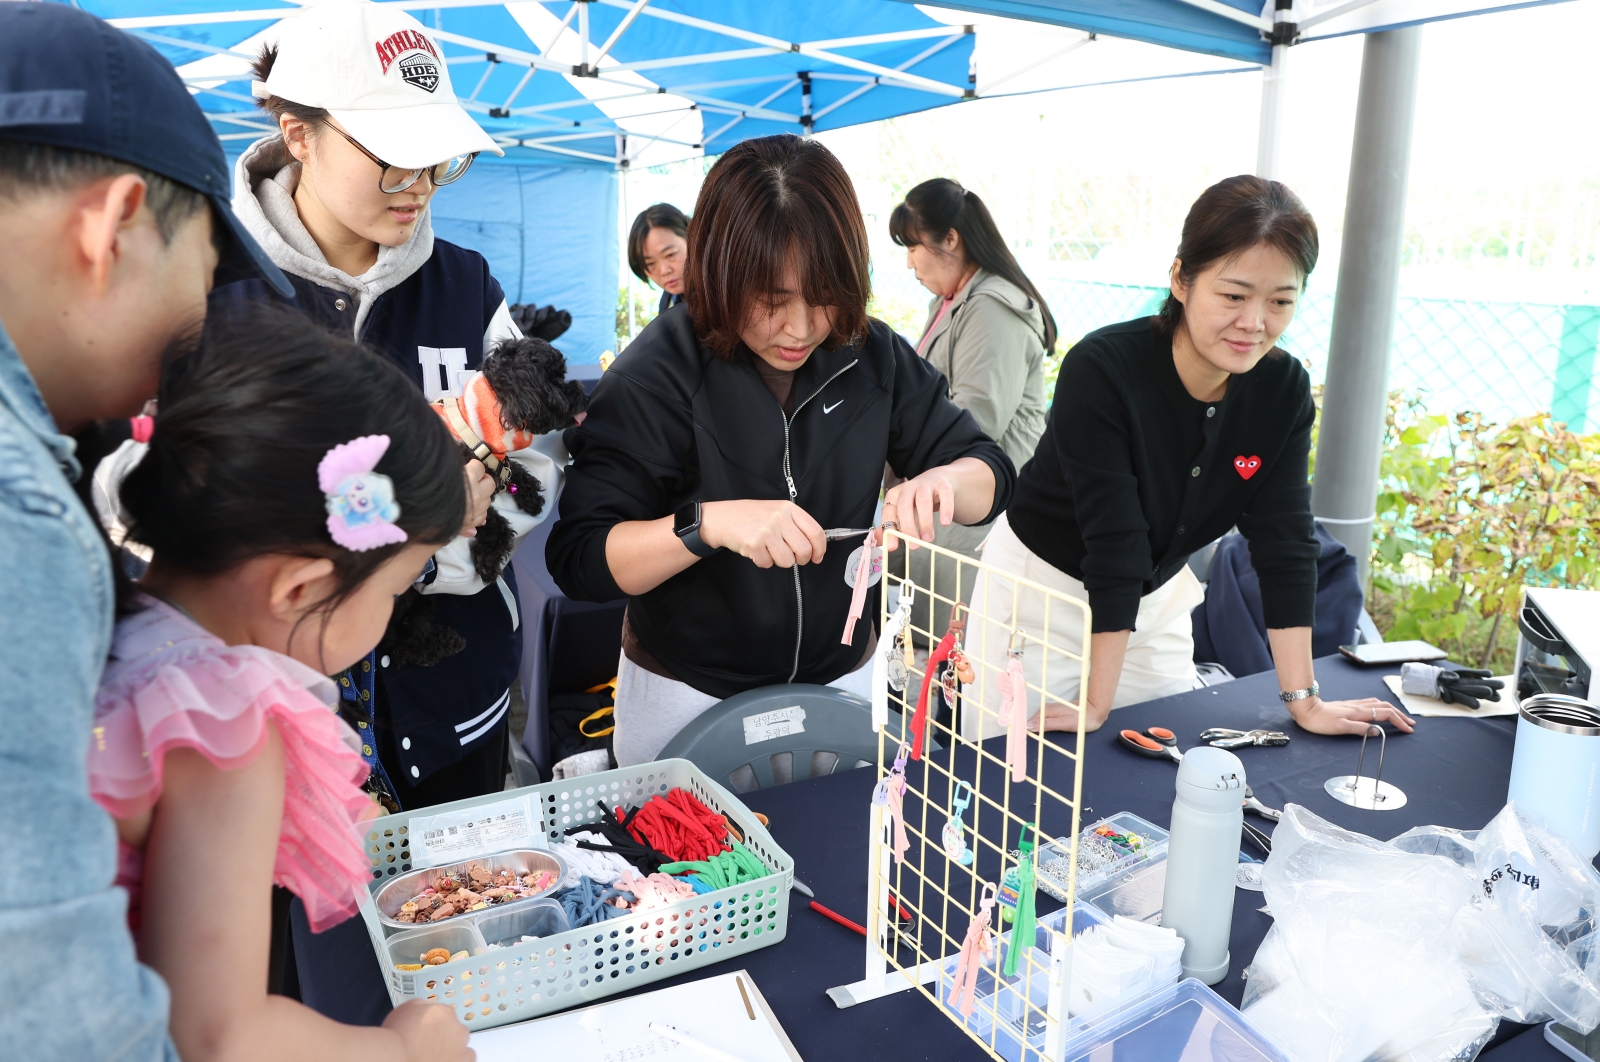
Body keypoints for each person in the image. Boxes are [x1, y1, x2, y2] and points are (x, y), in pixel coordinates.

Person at [0, 6, 293, 1059]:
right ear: (116, 223)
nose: (200, 330)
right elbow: (45, 1007)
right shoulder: (18, 509)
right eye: (206, 277)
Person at [548, 134, 1015, 767]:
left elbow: (987, 467)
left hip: (844, 675)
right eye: (770, 301)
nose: (799, 328)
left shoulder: (873, 357)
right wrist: (706, 524)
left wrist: (946, 484)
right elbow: (582, 559)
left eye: (824, 295)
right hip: (686, 690)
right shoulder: (654, 375)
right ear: (719, 271)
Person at [89, 309, 472, 1062]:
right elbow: (219, 1035)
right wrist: (404, 1050)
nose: (394, 612)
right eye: (397, 588)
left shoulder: (117, 624)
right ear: (300, 589)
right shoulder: (225, 722)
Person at [218, 0, 568, 809]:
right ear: (298, 133)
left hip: (455, 710)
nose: (417, 187)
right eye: (392, 157)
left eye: (437, 159)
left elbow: (533, 466)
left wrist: (429, 552)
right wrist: (428, 511)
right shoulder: (218, 290)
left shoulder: (466, 285)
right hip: (277, 732)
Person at [967, 175, 1412, 740]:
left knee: (1159, 761)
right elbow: (1116, 539)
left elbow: (1285, 543)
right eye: (1233, 296)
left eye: (1280, 302)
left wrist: (1305, 702)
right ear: (1181, 279)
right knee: (1008, 773)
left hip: (1154, 601)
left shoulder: (1282, 390)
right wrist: (1097, 704)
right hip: (1039, 597)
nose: (1255, 323)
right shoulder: (1103, 369)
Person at [887, 178, 1054, 642]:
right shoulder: (952, 303)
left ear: (951, 240)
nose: (909, 262)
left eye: (913, 246)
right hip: (949, 509)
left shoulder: (991, 308)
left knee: (958, 664)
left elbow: (975, 420)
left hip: (981, 516)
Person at [627, 203, 689, 315]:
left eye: (670, 255)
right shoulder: (667, 303)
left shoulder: (723, 290)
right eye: (650, 263)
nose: (664, 270)